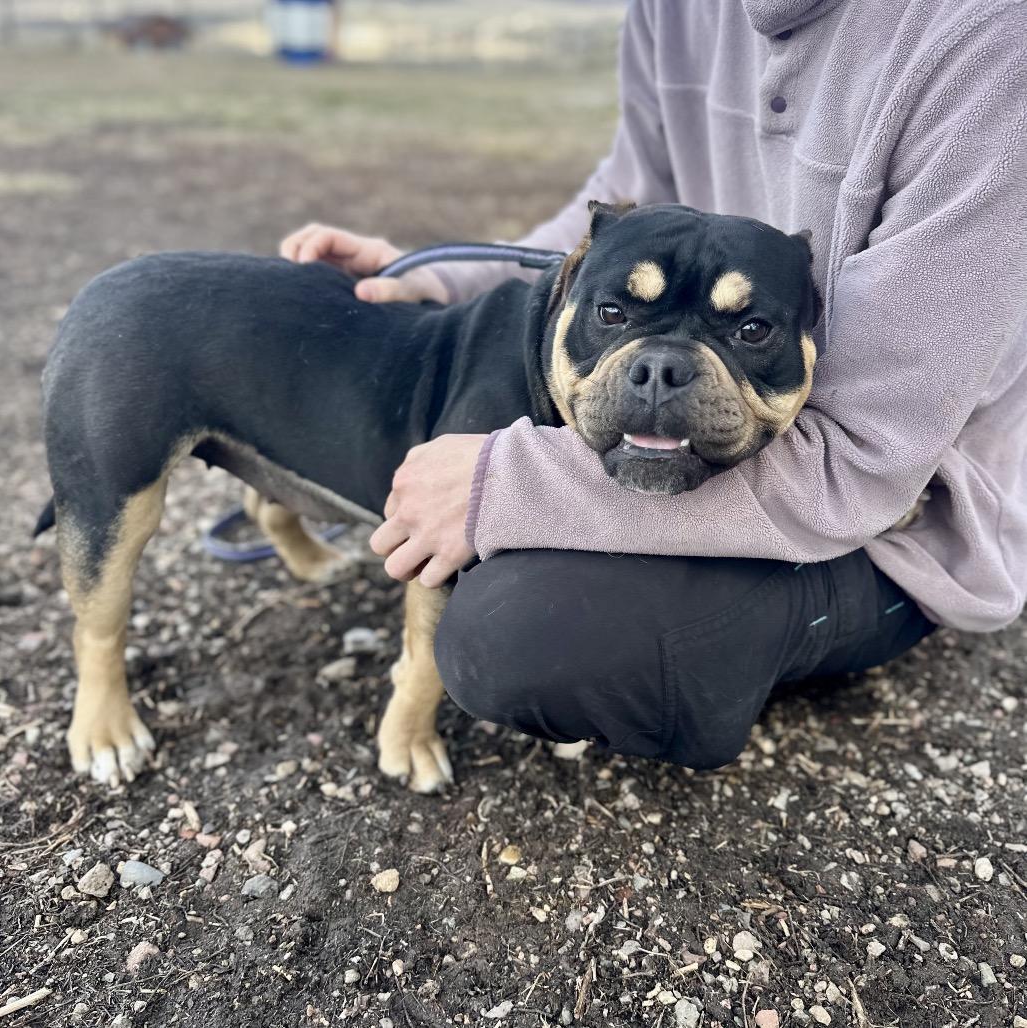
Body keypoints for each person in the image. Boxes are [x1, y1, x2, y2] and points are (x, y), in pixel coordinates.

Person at [280, 0, 1027, 770]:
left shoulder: (989, 44)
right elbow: (621, 212)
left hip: (897, 520)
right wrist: (435, 277)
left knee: (524, 635)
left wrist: (503, 485)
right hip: (775, 462)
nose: (665, 369)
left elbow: (863, 461)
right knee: (501, 579)